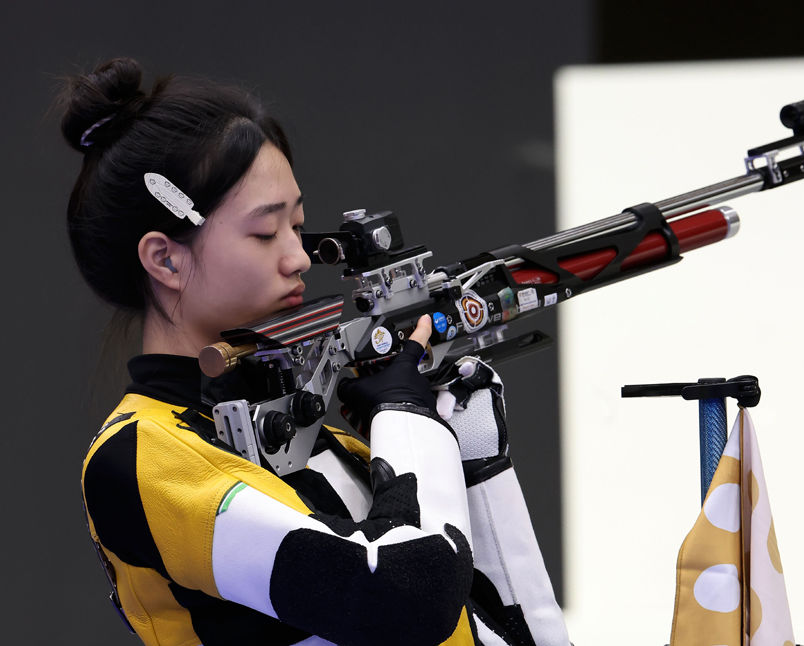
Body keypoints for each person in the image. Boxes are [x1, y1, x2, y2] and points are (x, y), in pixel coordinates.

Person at [64, 57, 569, 646]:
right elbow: (407, 597)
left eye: (299, 227)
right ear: (165, 259)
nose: (299, 258)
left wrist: (476, 464)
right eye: (264, 232)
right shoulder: (137, 460)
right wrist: (409, 421)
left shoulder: (326, 447)